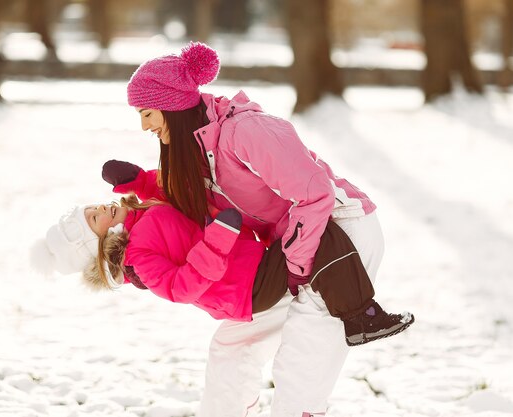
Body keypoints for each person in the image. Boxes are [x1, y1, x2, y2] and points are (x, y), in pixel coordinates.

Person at [106, 41, 411, 417]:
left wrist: (298, 265)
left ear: (172, 106)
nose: (144, 125)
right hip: (290, 248)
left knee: (303, 356)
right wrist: (140, 184)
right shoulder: (200, 151)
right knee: (233, 347)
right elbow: (194, 197)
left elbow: (314, 195)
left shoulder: (246, 131)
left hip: (340, 232)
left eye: (147, 113)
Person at [32, 192, 413, 341]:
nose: (101, 208)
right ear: (98, 245)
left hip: (251, 262)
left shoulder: (141, 217)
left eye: (93, 207)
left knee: (312, 233)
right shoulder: (138, 258)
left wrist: (137, 179)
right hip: (246, 287)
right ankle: (359, 317)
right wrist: (219, 237)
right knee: (319, 234)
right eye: (94, 219)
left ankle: (352, 308)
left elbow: (176, 194)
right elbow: (181, 288)